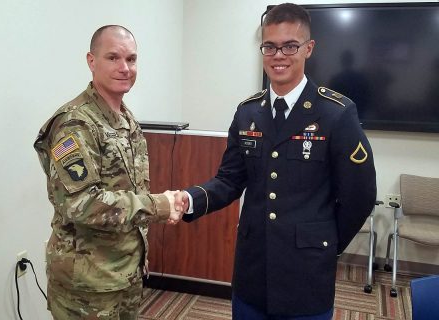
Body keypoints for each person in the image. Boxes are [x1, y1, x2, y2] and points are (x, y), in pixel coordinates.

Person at [174, 3, 376, 319]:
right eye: (270, 46)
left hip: (306, 273)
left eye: (290, 46)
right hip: (253, 269)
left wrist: (327, 243)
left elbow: (360, 195)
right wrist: (190, 199)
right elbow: (229, 180)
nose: (278, 55)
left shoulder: (336, 113)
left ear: (308, 49)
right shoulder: (247, 112)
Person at [34, 25, 181, 320]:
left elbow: (128, 189)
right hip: (87, 286)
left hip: (125, 273)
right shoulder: (74, 124)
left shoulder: (125, 119)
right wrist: (160, 206)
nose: (124, 68)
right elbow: (83, 204)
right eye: (113, 57)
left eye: (131, 59)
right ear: (91, 61)